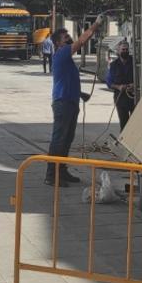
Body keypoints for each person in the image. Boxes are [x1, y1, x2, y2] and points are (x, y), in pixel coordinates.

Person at [46, 18, 101, 186]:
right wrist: (96, 24)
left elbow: (67, 81)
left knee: (67, 139)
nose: (69, 38)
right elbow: (82, 41)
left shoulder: (66, 59)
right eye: (65, 37)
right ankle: (51, 175)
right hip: (63, 103)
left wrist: (81, 94)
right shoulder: (62, 53)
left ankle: (61, 171)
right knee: (59, 139)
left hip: (70, 101)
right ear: (58, 43)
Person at [106, 40, 136, 130]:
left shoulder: (135, 62)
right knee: (124, 122)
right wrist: (118, 87)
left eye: (127, 49)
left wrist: (134, 85)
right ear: (118, 51)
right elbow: (109, 82)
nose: (125, 51)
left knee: (135, 122)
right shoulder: (113, 65)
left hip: (134, 97)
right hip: (120, 97)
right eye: (123, 49)